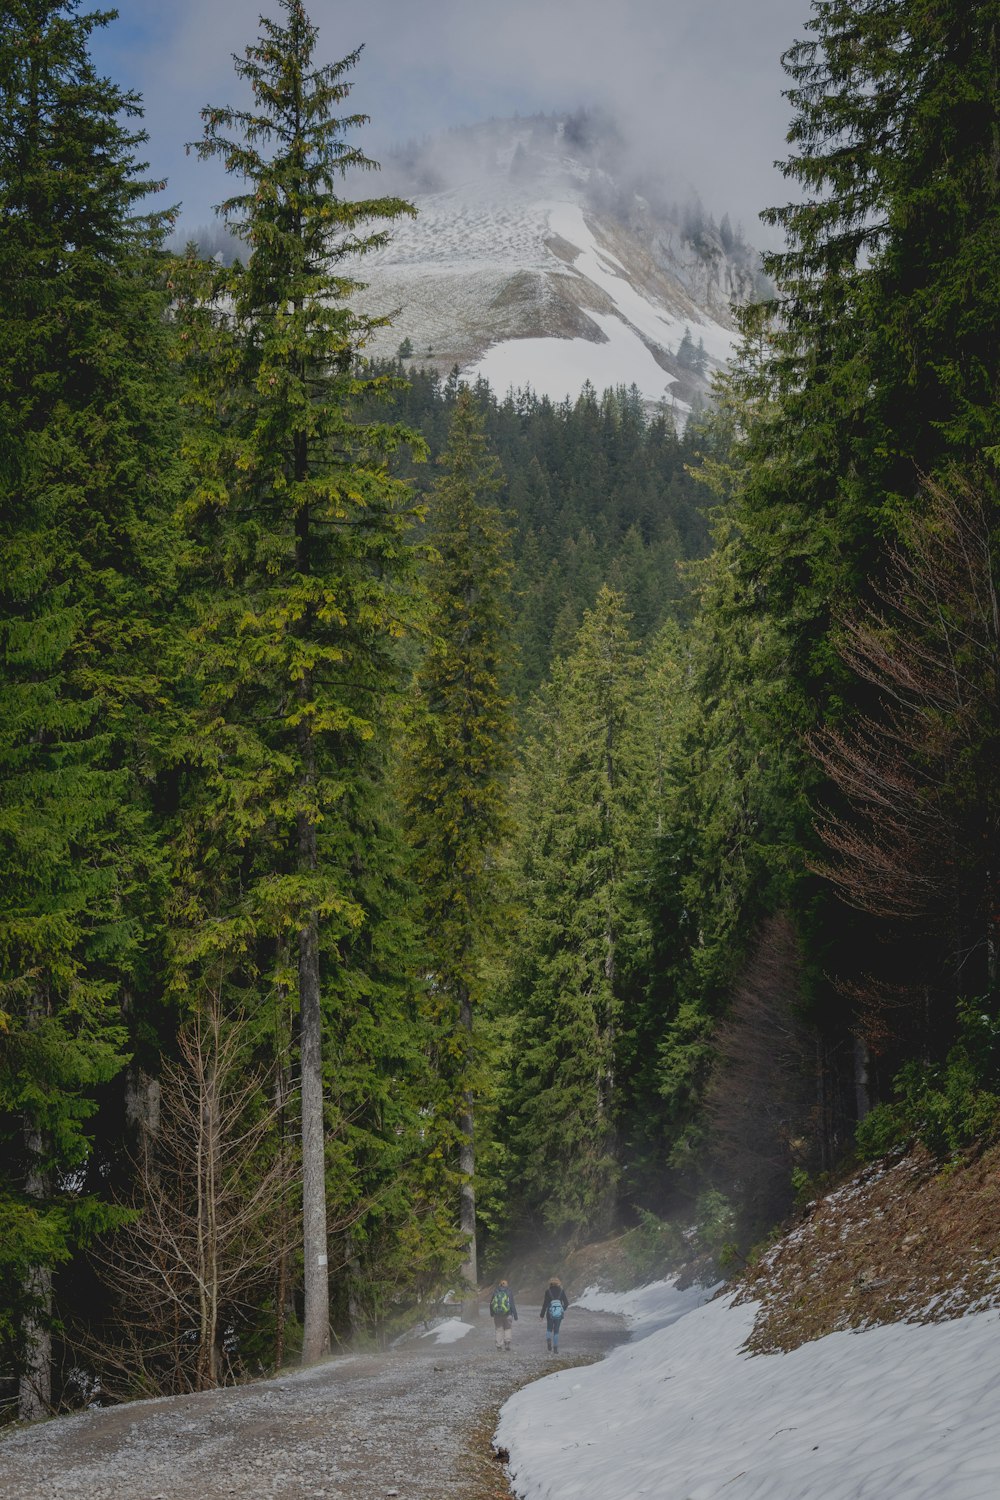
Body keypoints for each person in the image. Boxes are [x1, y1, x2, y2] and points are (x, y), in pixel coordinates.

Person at [539, 1275, 568, 1353]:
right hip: (559, 1314)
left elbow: (545, 1304)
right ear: (558, 1283)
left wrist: (541, 1315)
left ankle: (548, 1339)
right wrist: (562, 1310)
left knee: (549, 1329)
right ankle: (555, 1348)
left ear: (550, 1283)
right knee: (556, 1331)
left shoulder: (547, 1291)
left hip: (550, 1313)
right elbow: (566, 1303)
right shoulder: (561, 1291)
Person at [489, 1278, 518, 1352]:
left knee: (499, 1330)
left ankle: (499, 1346)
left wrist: (492, 1313)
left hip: (497, 1314)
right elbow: (512, 1304)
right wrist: (515, 1314)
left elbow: (491, 1303)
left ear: (500, 1284)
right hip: (508, 1314)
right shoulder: (509, 1292)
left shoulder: (496, 1291)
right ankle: (507, 1343)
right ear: (506, 1285)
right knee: (507, 1328)